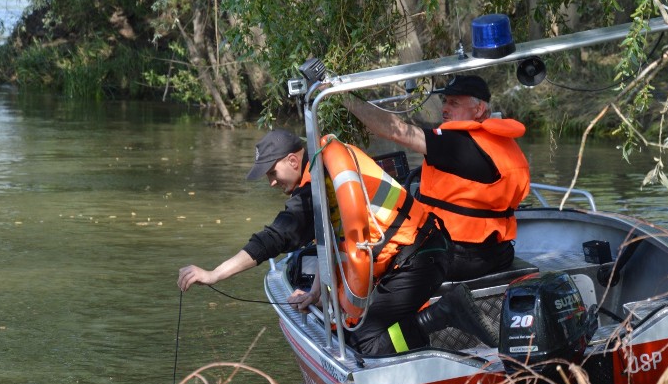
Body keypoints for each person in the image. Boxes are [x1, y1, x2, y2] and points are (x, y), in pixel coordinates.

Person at [177, 128, 502, 355]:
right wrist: (317, 292)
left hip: (420, 258)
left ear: (293, 160)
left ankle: (446, 313)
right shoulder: (328, 169)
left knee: (365, 342)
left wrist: (214, 274)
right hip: (417, 252)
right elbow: (331, 241)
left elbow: (272, 239)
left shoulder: (318, 187)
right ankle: (420, 343)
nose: (271, 182)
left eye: (271, 172)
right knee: (368, 329)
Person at [344, 74, 530, 281]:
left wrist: (343, 96)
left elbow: (396, 131)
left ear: (478, 110)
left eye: (454, 103)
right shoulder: (500, 142)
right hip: (498, 250)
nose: (445, 108)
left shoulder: (457, 144)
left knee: (380, 259)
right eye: (445, 101)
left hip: (459, 255)